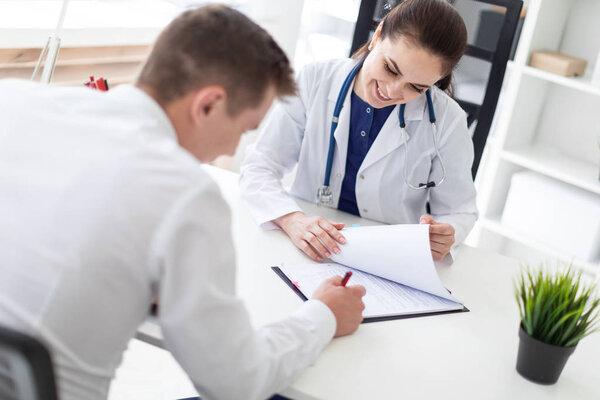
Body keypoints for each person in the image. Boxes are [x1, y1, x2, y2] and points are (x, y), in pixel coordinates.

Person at [0, 5, 366, 400]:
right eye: (243, 129)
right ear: (208, 104)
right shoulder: (186, 193)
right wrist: (323, 314)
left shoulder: (11, 102)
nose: (230, 148)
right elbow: (238, 382)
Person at [240, 0, 478, 264]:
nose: (392, 91)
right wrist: (292, 220)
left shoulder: (448, 121)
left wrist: (445, 236)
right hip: (305, 247)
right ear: (378, 35)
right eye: (390, 68)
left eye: (417, 88)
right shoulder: (314, 80)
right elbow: (259, 166)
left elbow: (459, 211)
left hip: (387, 259)